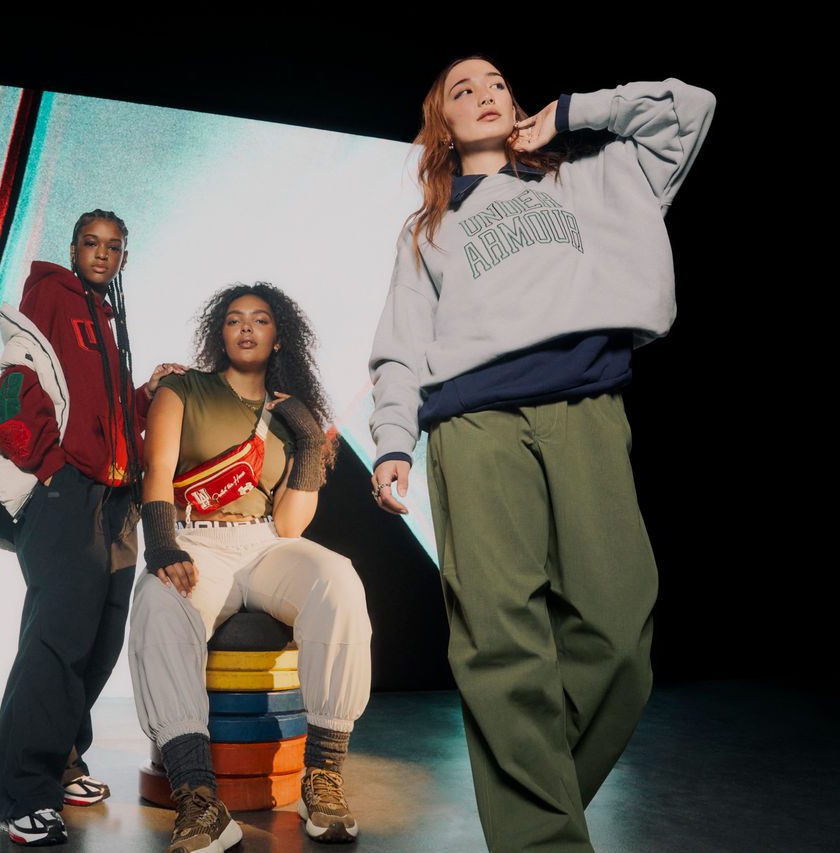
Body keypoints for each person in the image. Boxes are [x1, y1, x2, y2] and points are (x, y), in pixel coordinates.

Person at [368, 57, 715, 851]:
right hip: (472, 425)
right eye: (463, 91)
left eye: (497, 83)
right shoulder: (428, 228)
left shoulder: (592, 180)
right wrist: (393, 441)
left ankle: (530, 810)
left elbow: (689, 108)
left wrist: (568, 113)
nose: (485, 94)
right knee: (501, 643)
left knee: (620, 639)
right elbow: (400, 347)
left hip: (585, 406)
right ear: (442, 129)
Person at [130, 283, 372, 851]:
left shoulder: (290, 412)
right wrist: (162, 547)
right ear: (220, 332)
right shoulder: (182, 389)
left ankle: (325, 776)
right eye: (235, 319)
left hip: (264, 542)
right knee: (158, 603)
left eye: (259, 320)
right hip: (195, 540)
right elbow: (158, 470)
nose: (246, 328)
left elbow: (290, 527)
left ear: (277, 334)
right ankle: (198, 799)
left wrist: (309, 444)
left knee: (338, 579)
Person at [0, 208, 185, 846]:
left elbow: (107, 411)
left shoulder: (104, 316)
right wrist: (51, 468)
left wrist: (148, 394)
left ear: (124, 256)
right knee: (55, 643)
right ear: (73, 249)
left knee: (97, 641)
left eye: (114, 246)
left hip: (114, 500)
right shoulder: (51, 294)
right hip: (68, 497)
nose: (102, 254)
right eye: (92, 244)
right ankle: (23, 793)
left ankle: (64, 757)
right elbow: (14, 389)